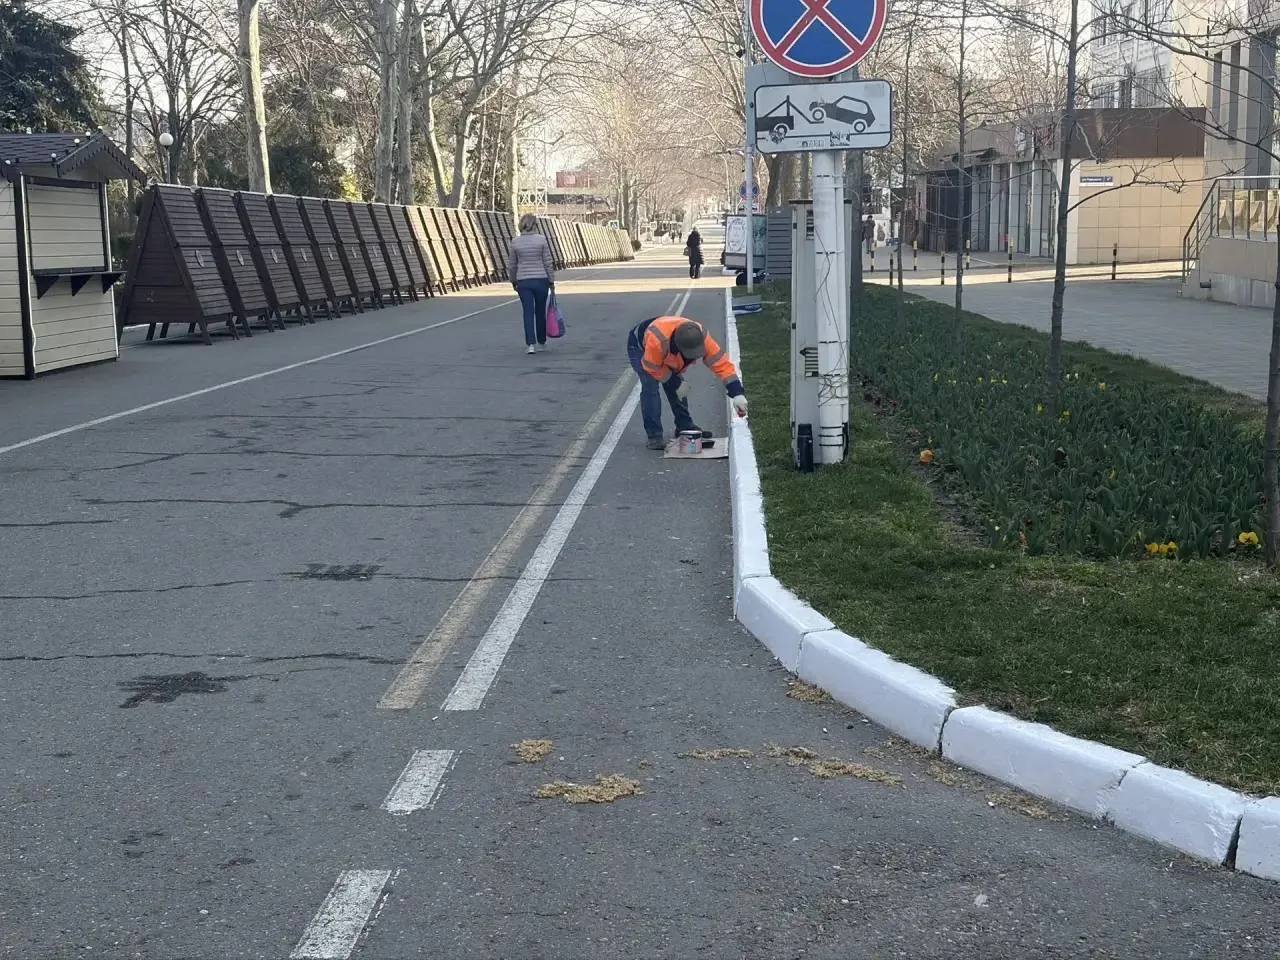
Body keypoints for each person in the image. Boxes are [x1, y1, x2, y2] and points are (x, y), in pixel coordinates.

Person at [627, 315, 748, 450]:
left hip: (665, 344)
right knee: (650, 387)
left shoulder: (701, 336)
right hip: (640, 347)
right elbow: (652, 367)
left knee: (678, 386)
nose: (694, 362)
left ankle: (684, 427)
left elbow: (721, 363)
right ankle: (654, 436)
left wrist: (737, 393)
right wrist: (675, 383)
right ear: (678, 347)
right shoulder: (657, 341)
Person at [508, 213, 556, 354]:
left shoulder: (515, 242)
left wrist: (513, 280)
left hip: (523, 281)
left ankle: (530, 345)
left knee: (527, 312)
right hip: (541, 280)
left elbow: (512, 265)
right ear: (535, 225)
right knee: (540, 311)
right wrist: (551, 280)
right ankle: (542, 341)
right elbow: (548, 262)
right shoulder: (541, 240)